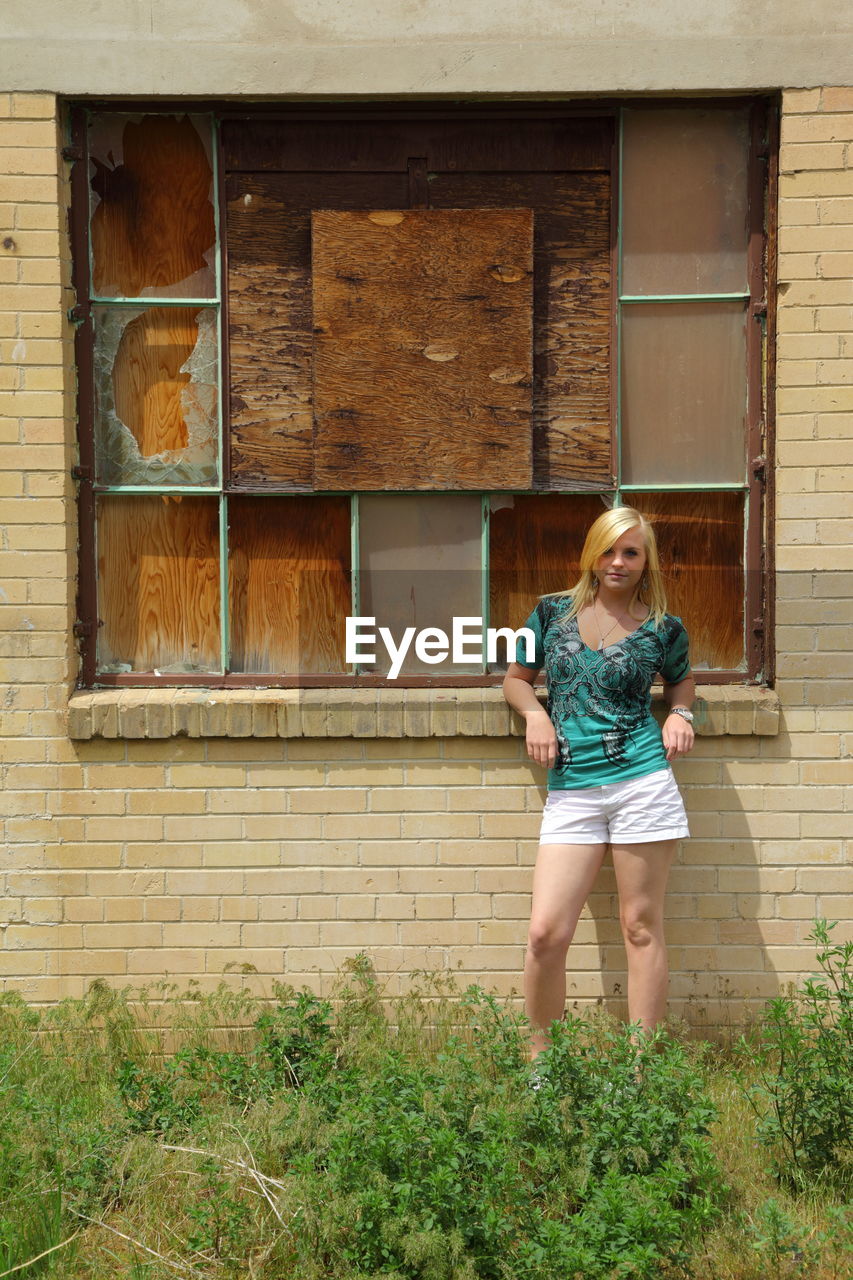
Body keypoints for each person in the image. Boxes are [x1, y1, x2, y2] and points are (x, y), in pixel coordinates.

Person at [502, 505, 695, 1061]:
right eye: (609, 550)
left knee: (640, 925)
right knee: (545, 934)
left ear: (645, 561)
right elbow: (516, 682)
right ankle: (543, 1065)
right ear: (592, 552)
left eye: (631, 552)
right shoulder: (550, 613)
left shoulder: (664, 627)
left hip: (642, 782)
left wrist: (682, 715)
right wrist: (537, 715)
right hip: (573, 790)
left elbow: (683, 686)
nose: (618, 561)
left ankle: (641, 1071)